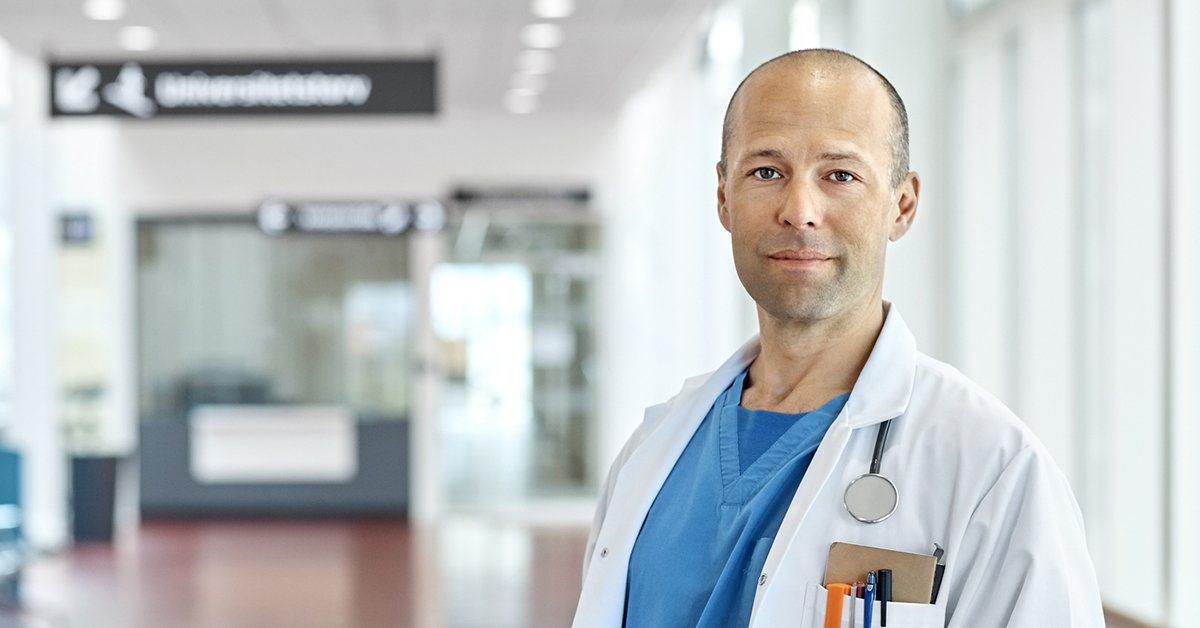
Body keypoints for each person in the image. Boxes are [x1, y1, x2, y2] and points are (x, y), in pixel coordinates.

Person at [572, 49, 1104, 627]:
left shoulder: (994, 468)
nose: (800, 210)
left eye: (841, 175)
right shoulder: (654, 450)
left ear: (902, 204)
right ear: (724, 197)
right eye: (766, 172)